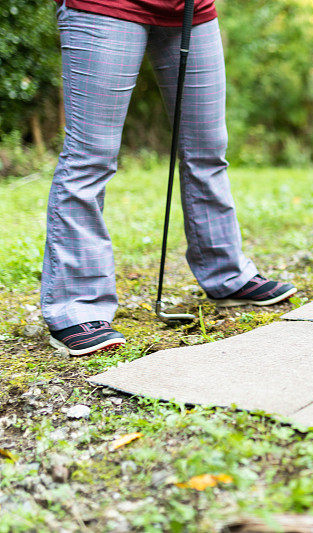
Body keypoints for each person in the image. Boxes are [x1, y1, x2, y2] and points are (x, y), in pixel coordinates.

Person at [43, 0, 296, 357]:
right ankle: (77, 306)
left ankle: (227, 276)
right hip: (105, 6)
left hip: (191, 10)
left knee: (208, 149)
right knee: (91, 156)